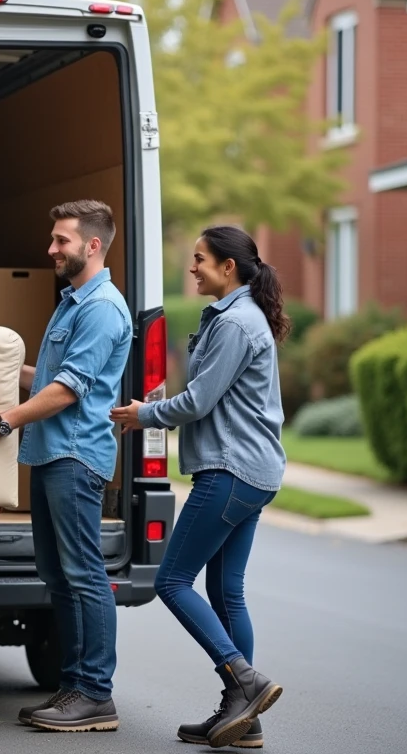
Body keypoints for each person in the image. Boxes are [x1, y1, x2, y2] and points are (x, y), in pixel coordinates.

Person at [0, 199, 132, 733]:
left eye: (61, 240)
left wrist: (1, 422)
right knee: (58, 575)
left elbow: (67, 391)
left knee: (84, 575)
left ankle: (96, 693)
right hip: (55, 455)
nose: (50, 249)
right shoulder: (74, 301)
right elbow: (47, 375)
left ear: (93, 245)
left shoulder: (101, 308)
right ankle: (74, 687)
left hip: (76, 456)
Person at [110, 225, 287, 749]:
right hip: (253, 472)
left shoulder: (236, 323)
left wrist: (145, 415)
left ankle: (244, 681)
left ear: (228, 267)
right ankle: (245, 719)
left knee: (171, 581)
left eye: (200, 259)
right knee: (226, 592)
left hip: (230, 471)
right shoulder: (240, 316)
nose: (192, 267)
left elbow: (196, 401)